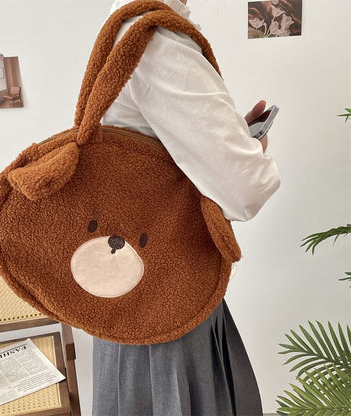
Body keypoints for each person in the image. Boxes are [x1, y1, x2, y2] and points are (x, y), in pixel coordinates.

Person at [92, 0, 281, 415]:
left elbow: (162, 152)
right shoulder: (156, 38)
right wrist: (251, 149)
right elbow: (246, 188)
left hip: (131, 292)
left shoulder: (124, 23)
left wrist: (225, 140)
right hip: (168, 304)